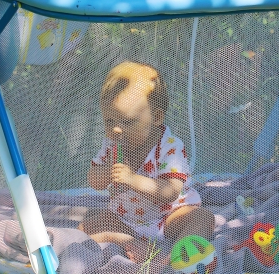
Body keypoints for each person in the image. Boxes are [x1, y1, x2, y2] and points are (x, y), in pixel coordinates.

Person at [78, 61, 215, 254]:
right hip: (125, 219)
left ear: (156, 117)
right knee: (90, 224)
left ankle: (177, 255)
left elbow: (170, 192)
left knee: (202, 218)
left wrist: (132, 179)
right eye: (109, 121)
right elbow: (94, 181)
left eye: (127, 121)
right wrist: (107, 172)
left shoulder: (169, 146)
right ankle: (130, 242)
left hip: (169, 216)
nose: (116, 129)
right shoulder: (111, 145)